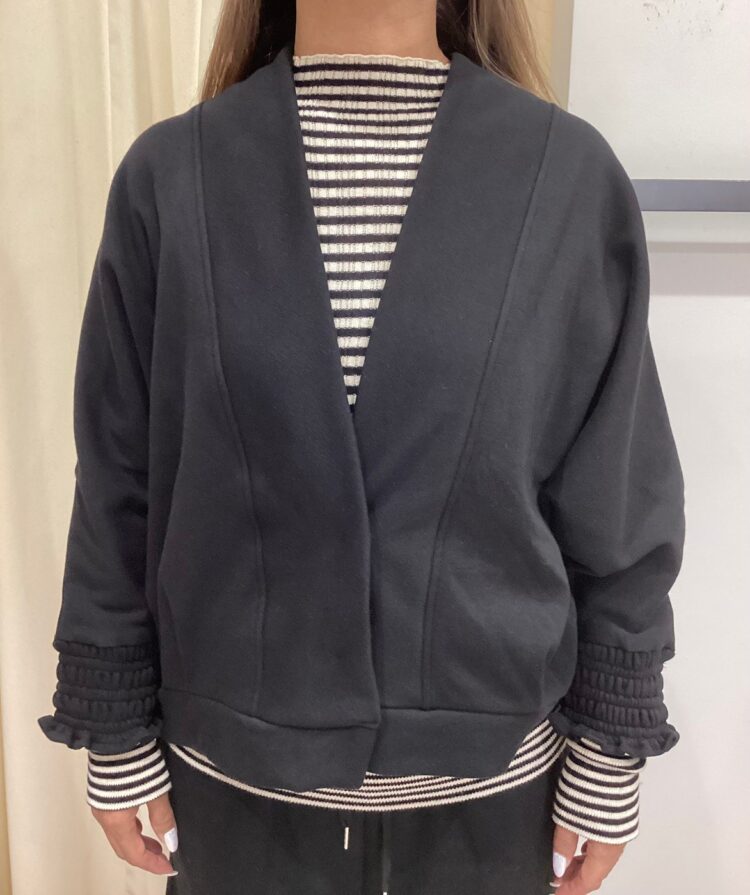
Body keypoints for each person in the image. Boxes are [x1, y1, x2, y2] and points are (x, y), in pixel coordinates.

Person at [37, 1, 686, 893]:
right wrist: (112, 719)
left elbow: (616, 478)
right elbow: (120, 475)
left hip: (490, 805)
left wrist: (610, 746)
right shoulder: (170, 179)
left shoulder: (568, 179)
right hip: (239, 803)